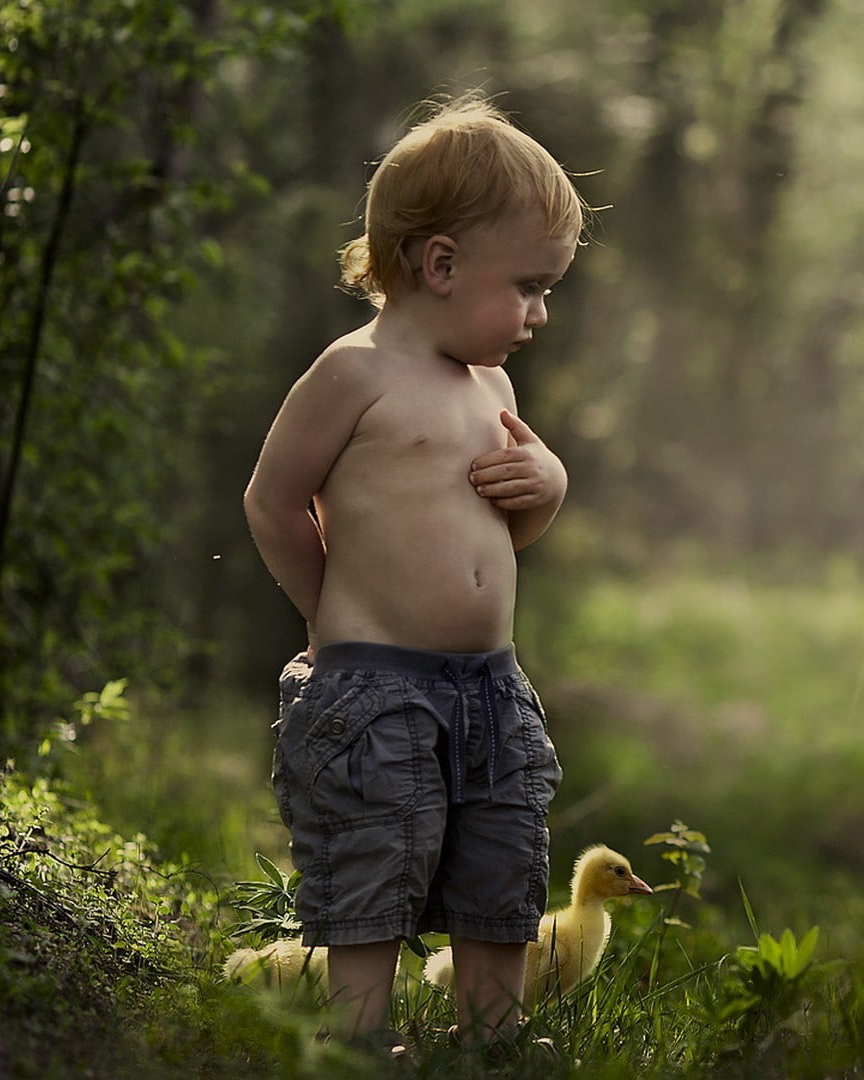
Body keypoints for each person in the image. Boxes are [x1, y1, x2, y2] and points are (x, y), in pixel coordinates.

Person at [243, 94, 585, 1054]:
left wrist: (548, 485)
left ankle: (494, 1034)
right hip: (373, 687)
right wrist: (329, 616)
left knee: (500, 849)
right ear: (440, 264)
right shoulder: (354, 375)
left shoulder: (494, 390)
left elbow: (497, 538)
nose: (539, 313)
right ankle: (359, 1033)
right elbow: (272, 501)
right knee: (374, 849)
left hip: (491, 684)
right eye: (527, 286)